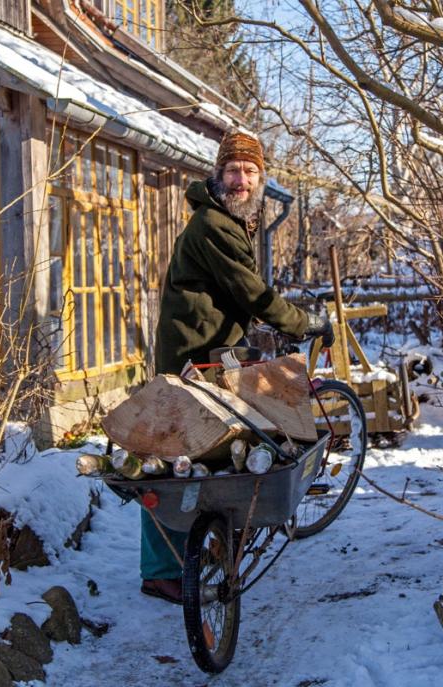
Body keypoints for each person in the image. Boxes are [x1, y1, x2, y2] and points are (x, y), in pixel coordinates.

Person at [141, 130, 334, 604]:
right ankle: (163, 570)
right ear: (218, 174)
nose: (241, 179)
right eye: (233, 170)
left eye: (250, 172)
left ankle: (201, 545)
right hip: (192, 355)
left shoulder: (231, 220)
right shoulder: (213, 223)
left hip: (213, 348)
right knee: (174, 458)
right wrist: (303, 321)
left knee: (217, 450)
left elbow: (236, 295)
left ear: (261, 179)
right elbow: (252, 292)